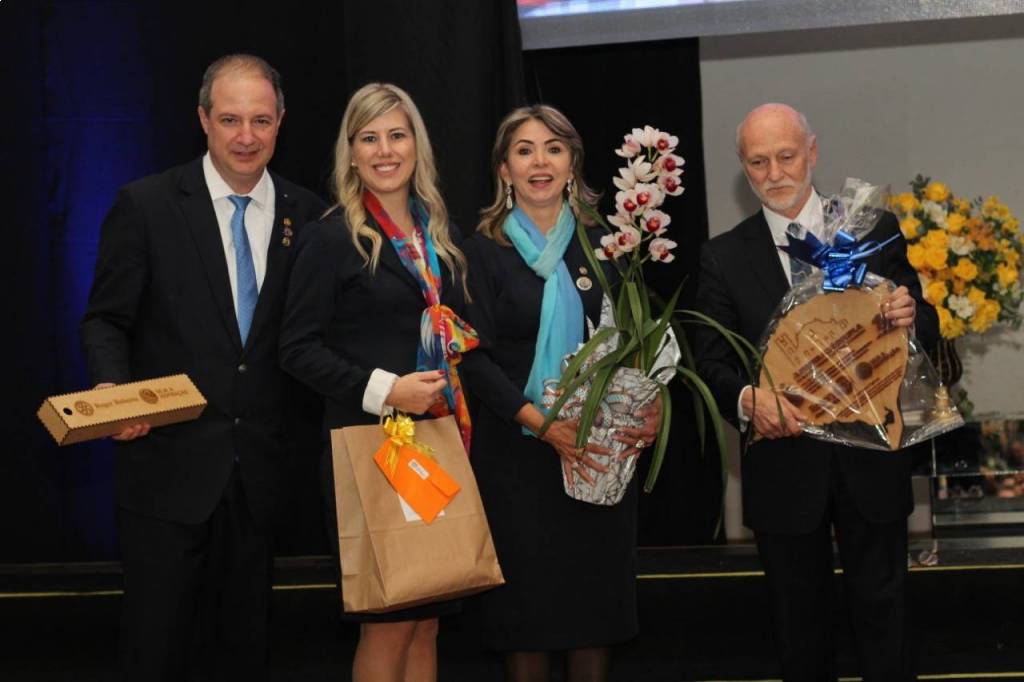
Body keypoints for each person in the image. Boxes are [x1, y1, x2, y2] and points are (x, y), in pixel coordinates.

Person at [79, 54, 325, 680]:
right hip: (166, 473)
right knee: (155, 653)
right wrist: (112, 389)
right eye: (230, 119)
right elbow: (106, 319)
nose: (246, 136)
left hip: (262, 480)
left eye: (261, 120)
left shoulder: (309, 214)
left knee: (246, 654)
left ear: (281, 122)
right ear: (203, 120)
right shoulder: (147, 205)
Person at [694, 103, 938, 680]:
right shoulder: (723, 256)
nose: (775, 173)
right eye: (758, 162)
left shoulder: (870, 227)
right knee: (799, 634)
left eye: (786, 156)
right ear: (743, 168)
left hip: (873, 461)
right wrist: (747, 400)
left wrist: (911, 315)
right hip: (783, 465)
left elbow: (925, 324)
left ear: (812, 152)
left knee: (886, 625)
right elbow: (710, 363)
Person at [279, 82, 474, 682]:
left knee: (427, 620)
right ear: (351, 152)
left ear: (417, 145)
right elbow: (295, 349)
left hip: (435, 447)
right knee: (388, 621)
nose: (385, 150)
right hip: (371, 450)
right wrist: (387, 389)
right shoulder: (329, 236)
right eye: (369, 138)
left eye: (396, 135)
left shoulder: (437, 232)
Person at [461, 105, 659, 682]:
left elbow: (639, 344)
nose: (539, 162)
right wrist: (545, 425)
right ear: (504, 169)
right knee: (527, 621)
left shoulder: (611, 244)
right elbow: (472, 358)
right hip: (517, 459)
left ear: (573, 162)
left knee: (593, 616)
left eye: (553, 148)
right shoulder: (480, 253)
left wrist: (651, 406)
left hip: (597, 456)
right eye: (524, 151)